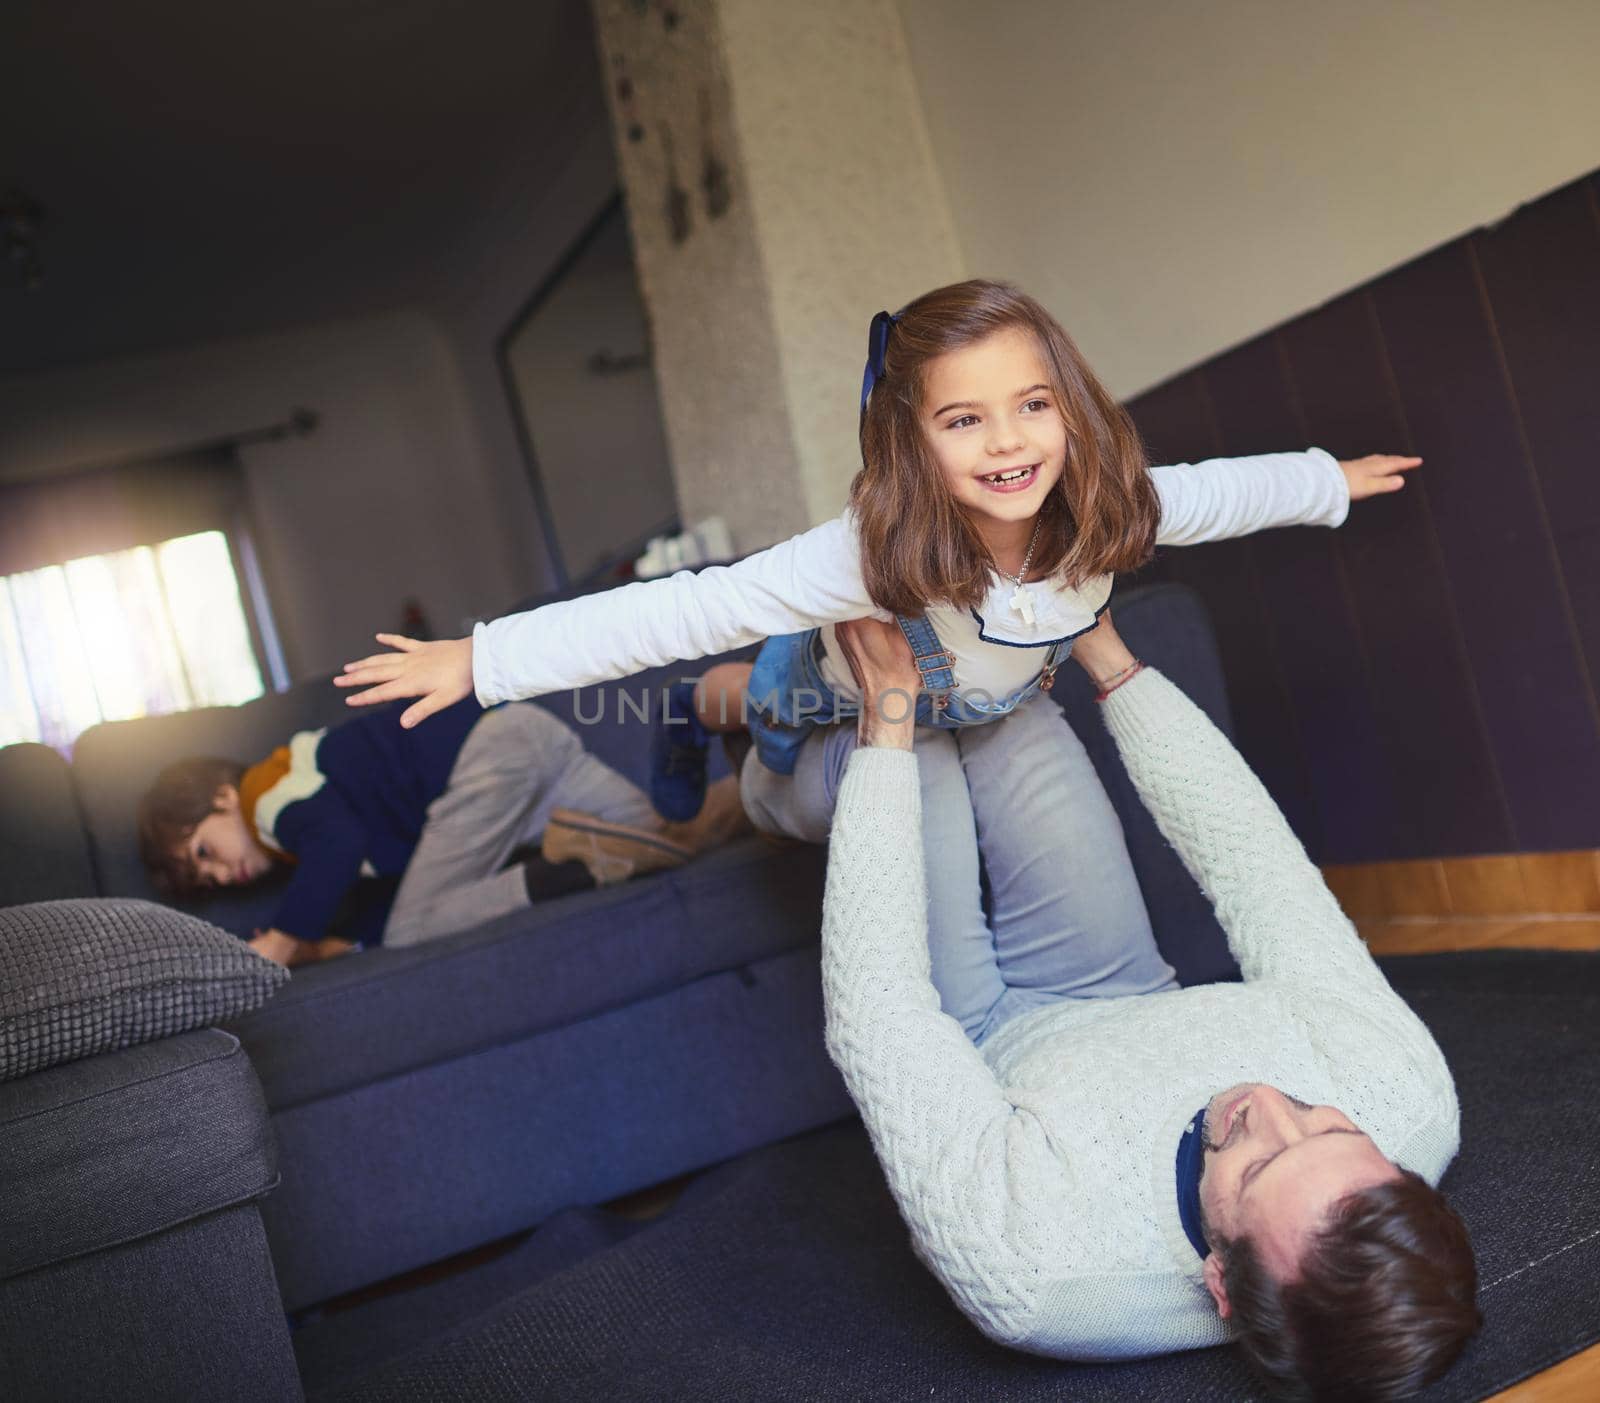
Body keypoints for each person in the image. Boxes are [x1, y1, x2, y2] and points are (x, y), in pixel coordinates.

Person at [334, 279, 1417, 990]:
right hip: (830, 700)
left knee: (962, 727)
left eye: (1032, 405)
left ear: (1072, 408)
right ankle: (699, 714)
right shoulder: (859, 554)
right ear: (911, 439)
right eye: (963, 420)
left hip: (971, 703)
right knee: (757, 687)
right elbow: (677, 603)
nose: (1007, 443)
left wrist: (1324, 480)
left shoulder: (1100, 508)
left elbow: (1211, 493)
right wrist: (484, 659)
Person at [819, 611, 1479, 1399]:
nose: (1266, 1101)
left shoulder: (1038, 1267)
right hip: (1118, 983)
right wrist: (1101, 644)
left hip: (973, 1043)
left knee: (914, 750)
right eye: (1330, 1122)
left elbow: (880, 1012)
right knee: (1015, 709)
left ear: (1221, 1285)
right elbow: (1259, 870)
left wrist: (888, 714)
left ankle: (748, 760)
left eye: (1258, 1162)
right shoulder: (1407, 1093)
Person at [138, 696, 747, 966]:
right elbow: (395, 884)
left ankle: (566, 867)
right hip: (527, 740)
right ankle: (773, 783)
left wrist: (283, 940)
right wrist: (336, 945)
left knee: (411, 933)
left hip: (484, 765)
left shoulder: (265, 797)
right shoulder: (306, 826)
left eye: (204, 852)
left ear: (220, 796)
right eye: (208, 879)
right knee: (672, 838)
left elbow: (339, 848)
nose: (222, 873)